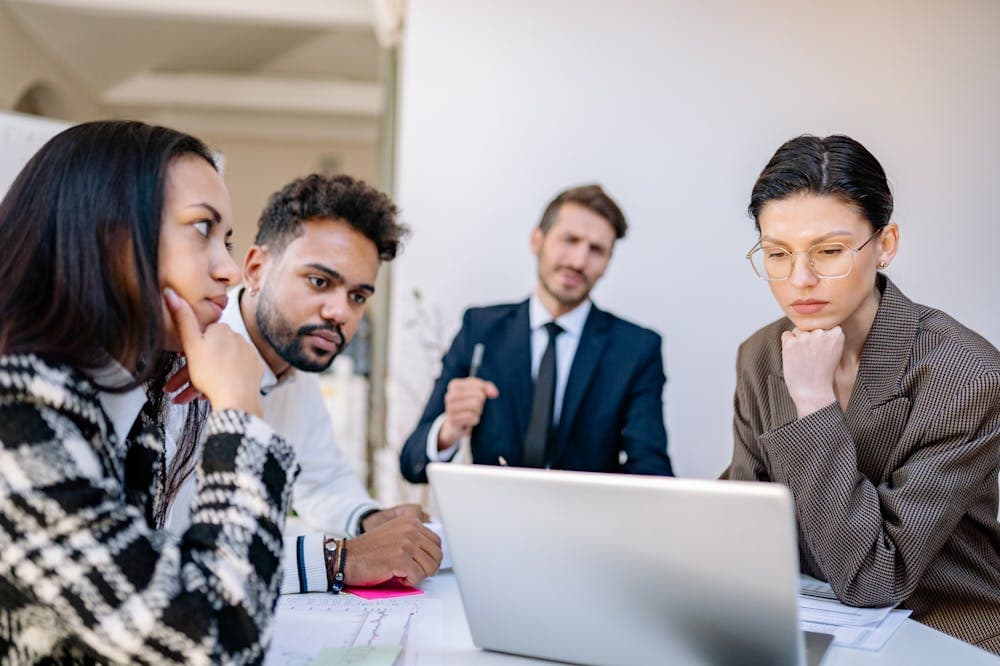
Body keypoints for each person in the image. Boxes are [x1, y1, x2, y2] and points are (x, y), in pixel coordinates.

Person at [0, 120, 297, 662]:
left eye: (225, 240)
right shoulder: (16, 413)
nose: (230, 271)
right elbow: (211, 641)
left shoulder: (128, 401)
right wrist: (241, 415)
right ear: (106, 237)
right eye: (201, 228)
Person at [725, 134, 1000, 654]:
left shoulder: (967, 375)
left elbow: (876, 576)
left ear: (886, 245)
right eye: (778, 254)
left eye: (828, 251)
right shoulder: (760, 355)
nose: (799, 280)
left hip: (945, 629)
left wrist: (812, 404)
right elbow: (747, 524)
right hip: (810, 616)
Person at [164, 174, 442, 592]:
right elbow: (184, 551)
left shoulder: (296, 360)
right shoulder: (184, 357)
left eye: (358, 297)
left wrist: (369, 520)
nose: (340, 312)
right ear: (255, 269)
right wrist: (340, 560)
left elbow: (322, 479)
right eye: (319, 281)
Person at [400, 184, 673, 483]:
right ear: (536, 240)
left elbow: (651, 472)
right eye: (570, 240)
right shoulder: (480, 329)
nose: (578, 262)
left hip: (586, 525)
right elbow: (412, 462)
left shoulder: (636, 349)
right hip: (492, 523)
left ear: (607, 263)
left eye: (596, 250)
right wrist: (449, 429)